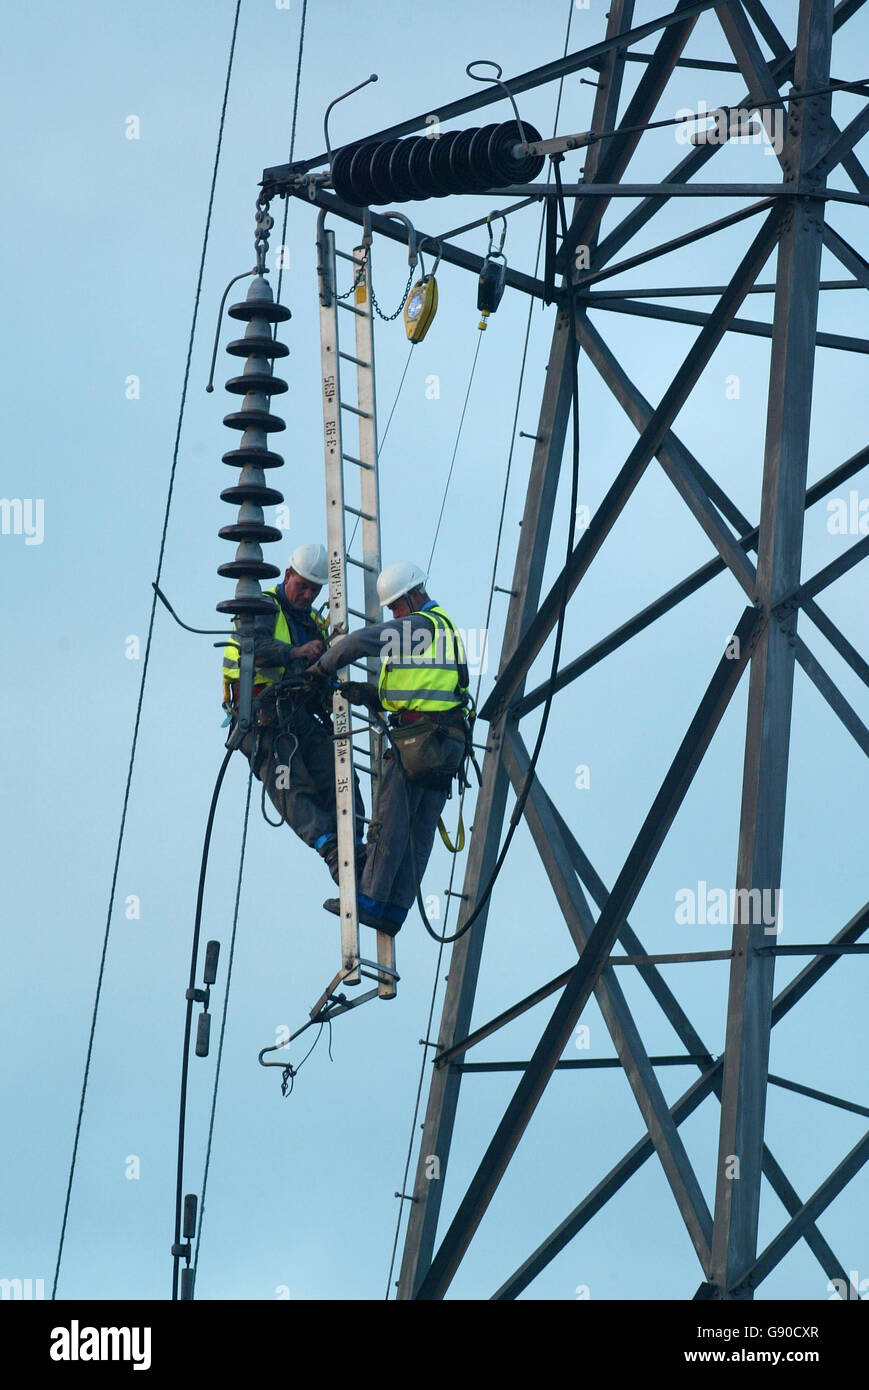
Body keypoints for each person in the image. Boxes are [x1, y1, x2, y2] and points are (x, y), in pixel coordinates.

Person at [308, 561, 470, 935]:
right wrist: (372, 696)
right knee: (419, 831)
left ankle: (369, 900)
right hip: (448, 744)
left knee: (391, 822)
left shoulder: (419, 626)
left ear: (413, 597)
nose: (394, 615)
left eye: (396, 606)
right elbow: (426, 690)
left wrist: (321, 668)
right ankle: (393, 912)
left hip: (420, 743)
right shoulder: (444, 626)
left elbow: (360, 642)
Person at [222, 543, 364, 881]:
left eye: (314, 590)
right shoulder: (262, 608)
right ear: (287, 576)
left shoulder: (313, 621)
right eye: (302, 586)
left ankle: (357, 845)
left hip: (298, 714)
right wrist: (296, 652)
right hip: (261, 714)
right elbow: (249, 648)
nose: (307, 595)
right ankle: (330, 846)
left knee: (339, 771)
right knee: (290, 781)